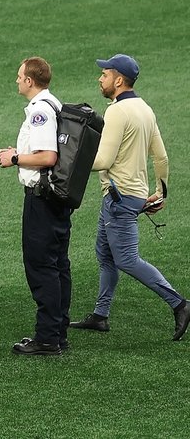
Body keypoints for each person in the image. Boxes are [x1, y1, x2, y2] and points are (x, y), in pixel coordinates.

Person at [74, 55, 190, 340]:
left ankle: (180, 304)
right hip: (130, 196)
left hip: (120, 199)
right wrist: (161, 193)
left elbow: (103, 160)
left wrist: (66, 162)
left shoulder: (117, 112)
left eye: (104, 74)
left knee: (126, 259)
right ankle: (100, 316)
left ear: (119, 80)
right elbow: (161, 156)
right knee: (106, 255)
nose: (100, 79)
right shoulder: (145, 109)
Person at [0, 57, 68, 355]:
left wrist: (13, 159)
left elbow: (47, 157)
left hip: (42, 198)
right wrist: (19, 152)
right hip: (56, 199)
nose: (16, 80)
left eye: (19, 76)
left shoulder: (40, 110)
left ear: (30, 80)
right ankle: (57, 332)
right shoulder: (53, 104)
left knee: (42, 266)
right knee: (58, 264)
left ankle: (48, 338)